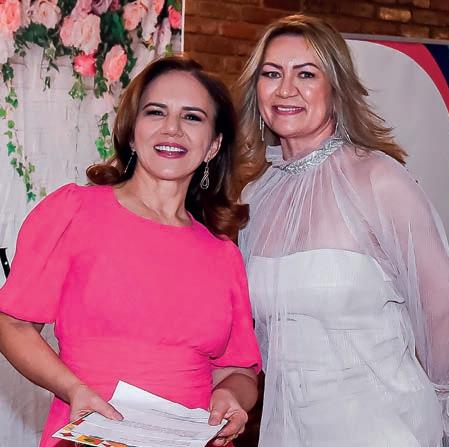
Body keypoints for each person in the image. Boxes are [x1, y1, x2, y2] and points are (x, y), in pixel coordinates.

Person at [235, 14, 449, 447]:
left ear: (336, 87)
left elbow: (445, 311)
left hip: (385, 426)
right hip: (288, 429)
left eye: (306, 74)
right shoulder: (256, 197)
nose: (286, 89)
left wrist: (438, 397)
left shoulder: (379, 180)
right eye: (271, 74)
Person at [0, 56, 261, 447]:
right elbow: (13, 325)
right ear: (133, 133)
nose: (172, 128)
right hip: (87, 438)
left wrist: (230, 397)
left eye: (192, 117)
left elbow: (239, 369)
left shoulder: (223, 254)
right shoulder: (74, 211)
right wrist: (73, 389)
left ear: (213, 145)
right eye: (156, 112)